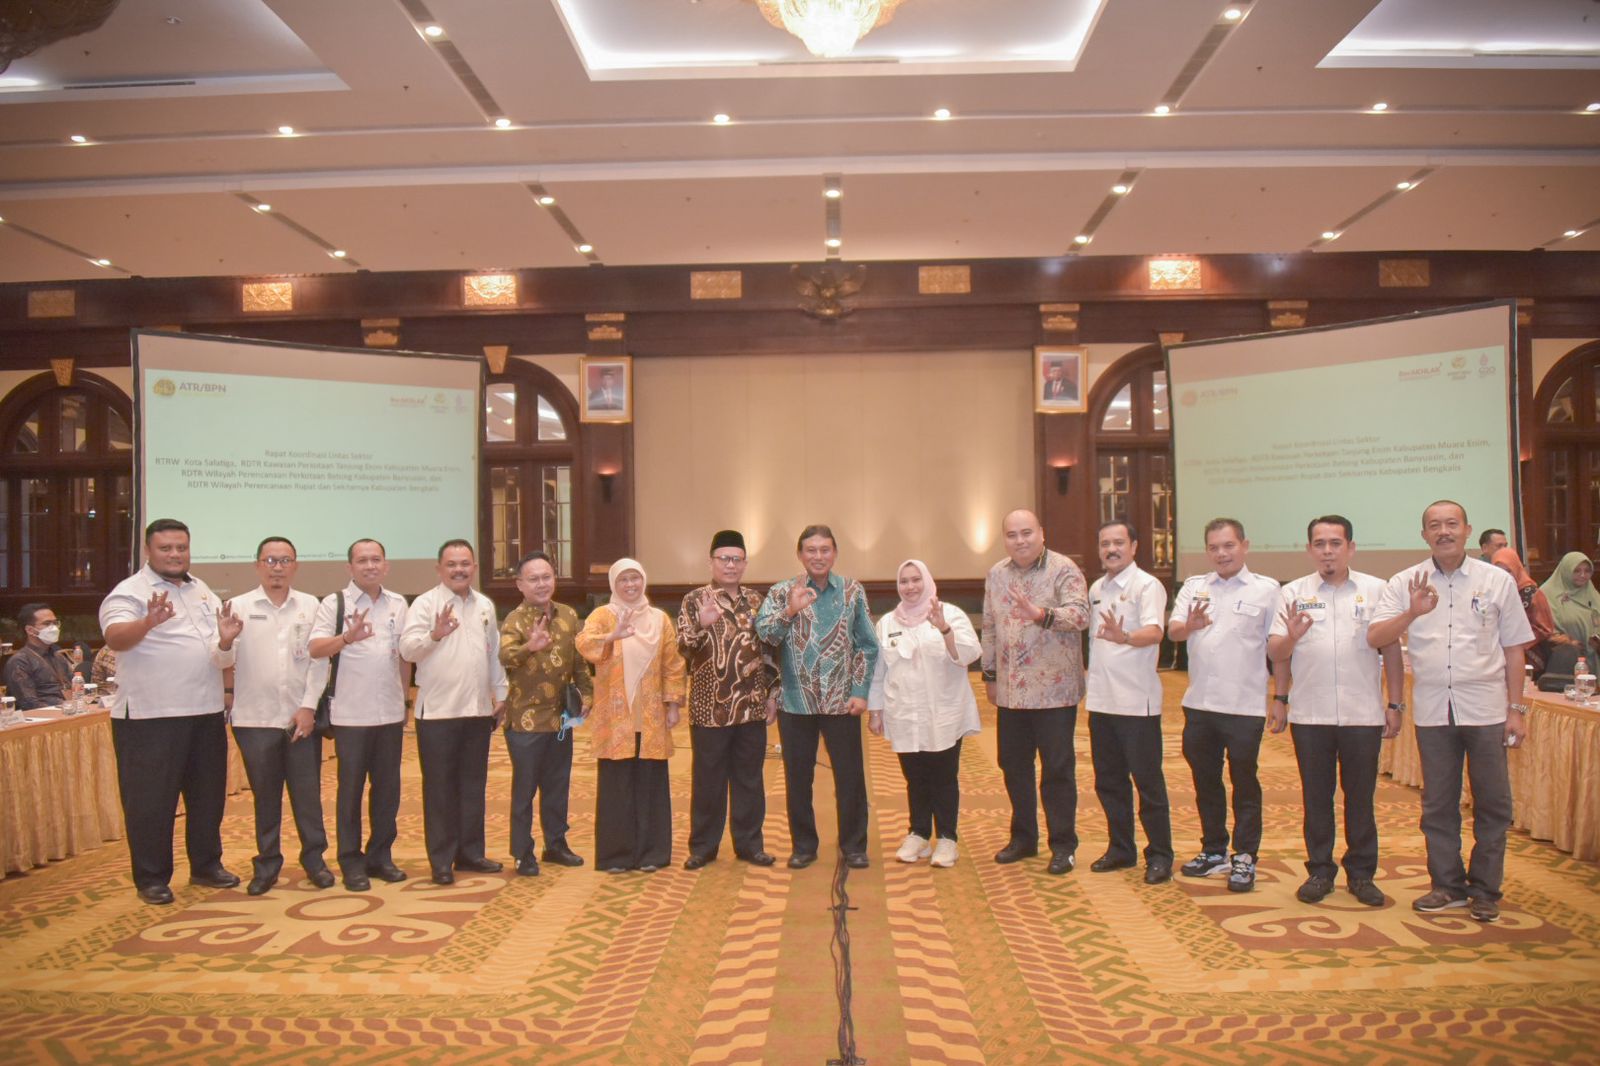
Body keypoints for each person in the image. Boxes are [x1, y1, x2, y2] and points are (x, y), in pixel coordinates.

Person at [1369, 500, 1533, 923]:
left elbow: (1515, 649)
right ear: (1423, 534)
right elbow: (1376, 637)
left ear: (1467, 530)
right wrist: (1412, 611)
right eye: (1434, 526)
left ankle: (1485, 890)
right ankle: (1446, 886)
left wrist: (1516, 709)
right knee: (1438, 805)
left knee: (1493, 803)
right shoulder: (1407, 581)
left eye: (1452, 524)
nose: (1444, 531)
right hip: (1433, 711)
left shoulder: (1497, 581)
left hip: (1487, 709)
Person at [98, 518, 238, 905]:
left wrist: (226, 642)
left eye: (181, 548)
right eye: (166, 548)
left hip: (205, 711)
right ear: (148, 551)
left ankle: (207, 865)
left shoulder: (201, 590)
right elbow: (114, 638)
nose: (175, 555)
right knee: (151, 802)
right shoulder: (129, 592)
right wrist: (148, 621)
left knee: (207, 797)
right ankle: (152, 878)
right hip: (150, 717)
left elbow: (215, 649)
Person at [1267, 516, 1403, 908]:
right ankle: (1320, 871)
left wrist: (1394, 703)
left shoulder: (1378, 591)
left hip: (1363, 714)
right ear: (1309, 549)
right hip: (1311, 715)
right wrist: (1290, 638)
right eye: (1320, 544)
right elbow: (1276, 653)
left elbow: (1390, 649)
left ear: (1351, 548)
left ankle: (1361, 875)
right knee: (1316, 798)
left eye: (1335, 543)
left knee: (1361, 798)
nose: (1328, 551)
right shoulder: (1292, 593)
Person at [1167, 517, 1281, 892]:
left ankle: (1245, 856)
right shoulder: (1195, 588)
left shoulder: (1266, 590)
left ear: (1244, 546)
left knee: (1244, 782)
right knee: (1206, 782)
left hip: (1245, 706)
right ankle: (1213, 849)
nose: (1222, 553)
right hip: (1200, 704)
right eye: (1214, 547)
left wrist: (1281, 696)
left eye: (1228, 545)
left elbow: (1278, 649)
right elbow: (1173, 631)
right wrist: (1191, 626)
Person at [756, 525, 879, 870]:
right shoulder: (782, 591)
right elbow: (764, 633)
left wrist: (860, 691)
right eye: (811, 550)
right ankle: (804, 846)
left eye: (825, 550)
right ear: (800, 554)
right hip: (795, 702)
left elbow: (867, 646)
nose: (818, 556)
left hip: (842, 702)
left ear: (835, 553)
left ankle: (854, 846)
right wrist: (790, 611)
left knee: (850, 777)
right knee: (797, 778)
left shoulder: (853, 591)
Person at [222, 536, 334, 896]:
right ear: (257, 565)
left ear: (295, 566)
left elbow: (320, 662)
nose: (277, 567)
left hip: (299, 719)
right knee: (265, 796)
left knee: (307, 795)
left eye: (285, 560)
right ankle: (267, 864)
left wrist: (308, 707)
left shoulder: (311, 606)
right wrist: (224, 642)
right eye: (270, 560)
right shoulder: (237, 606)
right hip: (254, 720)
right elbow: (220, 663)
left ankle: (315, 860)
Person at [980, 509, 1090, 874]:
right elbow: (990, 627)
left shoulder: (1063, 569)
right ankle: (1023, 838)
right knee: (1013, 767)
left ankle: (1063, 844)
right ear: (1004, 539)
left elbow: (1079, 616)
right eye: (1012, 535)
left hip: (1054, 693)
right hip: (1012, 692)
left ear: (1042, 533)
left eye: (1027, 533)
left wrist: (1041, 614)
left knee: (1057, 770)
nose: (1020, 540)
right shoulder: (997, 574)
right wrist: (990, 676)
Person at [400, 539, 508, 885]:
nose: (459, 569)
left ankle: (471, 853)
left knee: (473, 786)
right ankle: (442, 860)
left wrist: (501, 693)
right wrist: (434, 634)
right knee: (441, 790)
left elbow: (494, 653)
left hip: (477, 710)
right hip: (437, 715)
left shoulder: (485, 605)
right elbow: (408, 650)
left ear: (474, 567)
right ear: (439, 569)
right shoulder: (424, 605)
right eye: (452, 564)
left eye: (465, 563)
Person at [308, 538, 411, 891]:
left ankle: (380, 856)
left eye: (376, 559)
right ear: (349, 567)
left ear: (386, 565)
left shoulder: (398, 603)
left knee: (388, 790)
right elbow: (315, 648)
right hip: (350, 715)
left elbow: (403, 657)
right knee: (350, 791)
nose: (370, 566)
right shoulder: (334, 604)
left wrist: (404, 704)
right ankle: (351, 861)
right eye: (362, 560)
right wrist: (346, 639)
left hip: (390, 713)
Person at [867, 559, 981, 868]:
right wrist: (875, 710)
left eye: (916, 579)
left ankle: (947, 838)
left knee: (943, 776)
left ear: (927, 581)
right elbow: (878, 671)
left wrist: (943, 628)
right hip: (903, 713)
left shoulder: (950, 614)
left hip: (944, 713)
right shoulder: (888, 623)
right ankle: (918, 833)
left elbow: (970, 654)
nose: (910, 586)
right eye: (904, 581)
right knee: (914, 777)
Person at [676, 530, 780, 870]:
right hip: (709, 709)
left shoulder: (756, 600)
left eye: (737, 559)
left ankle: (750, 844)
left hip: (751, 706)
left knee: (750, 779)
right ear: (711, 562)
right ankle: (703, 847)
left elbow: (769, 651)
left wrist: (772, 694)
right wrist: (702, 625)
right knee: (708, 780)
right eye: (724, 558)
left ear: (745, 563)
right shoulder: (694, 600)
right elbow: (683, 650)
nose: (731, 565)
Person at [576, 559, 686, 873]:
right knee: (616, 784)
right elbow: (584, 644)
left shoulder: (659, 619)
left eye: (635, 579)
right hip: (615, 716)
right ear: (614, 584)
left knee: (651, 782)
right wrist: (613, 636)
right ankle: (616, 856)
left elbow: (673, 662)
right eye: (623, 580)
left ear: (644, 581)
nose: (630, 585)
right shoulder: (603, 615)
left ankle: (652, 853)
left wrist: (673, 703)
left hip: (649, 714)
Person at [1083, 521, 1173, 884]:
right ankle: (1121, 848)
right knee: (1108, 781)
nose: (1111, 549)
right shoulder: (1096, 588)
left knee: (1147, 782)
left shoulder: (1147, 585)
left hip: (1137, 703)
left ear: (1134, 546)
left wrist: (1125, 636)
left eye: (1119, 542)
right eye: (1105, 544)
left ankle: (1160, 855)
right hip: (1102, 702)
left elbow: (1155, 632)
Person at [498, 551, 592, 877]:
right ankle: (523, 852)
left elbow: (579, 663)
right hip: (525, 721)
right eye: (534, 579)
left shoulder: (567, 615)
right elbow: (506, 657)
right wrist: (530, 647)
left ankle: (556, 844)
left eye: (547, 577)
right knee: (525, 790)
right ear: (520, 584)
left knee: (557, 785)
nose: (542, 584)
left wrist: (587, 694)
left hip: (561, 718)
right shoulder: (514, 620)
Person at [1491, 547, 1562, 676]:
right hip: (1496, 658)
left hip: (1530, 657)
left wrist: (1515, 643)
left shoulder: (1532, 594)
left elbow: (1544, 628)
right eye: (1498, 570)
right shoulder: (1491, 593)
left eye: (1508, 571)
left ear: (1517, 569)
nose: (1503, 576)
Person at [4, 603, 72, 710]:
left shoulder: (59, 657)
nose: (53, 628)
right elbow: (29, 703)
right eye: (47, 623)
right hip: (41, 719)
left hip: (68, 712)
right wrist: (64, 709)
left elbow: (75, 689)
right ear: (30, 630)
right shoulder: (20, 661)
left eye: (55, 623)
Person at [1538, 551, 1600, 651]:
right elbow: (1543, 630)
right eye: (1576, 571)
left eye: (1587, 571)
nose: (1583, 575)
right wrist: (1568, 642)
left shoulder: (1591, 592)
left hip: (1594, 658)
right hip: (1565, 658)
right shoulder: (1546, 595)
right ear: (1566, 571)